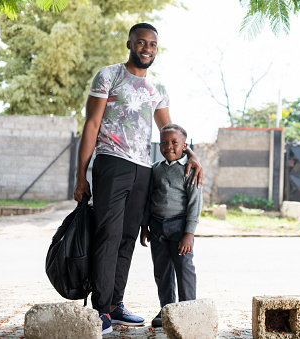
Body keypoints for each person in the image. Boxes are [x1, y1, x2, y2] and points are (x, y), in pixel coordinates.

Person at [73, 23, 202, 335]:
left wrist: (193, 154)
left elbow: (171, 133)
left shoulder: (157, 89)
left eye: (153, 45)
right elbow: (91, 124)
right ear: (130, 43)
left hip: (143, 169)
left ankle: (115, 304)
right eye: (141, 43)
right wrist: (81, 175)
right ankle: (101, 310)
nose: (147, 48)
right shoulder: (109, 75)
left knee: (129, 236)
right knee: (108, 235)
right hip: (112, 163)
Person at [140, 124, 202, 328]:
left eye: (175, 142)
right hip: (157, 227)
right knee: (162, 271)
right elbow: (148, 199)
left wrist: (189, 234)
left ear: (184, 145)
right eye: (165, 142)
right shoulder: (155, 169)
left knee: (184, 269)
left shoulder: (189, 169)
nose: (169, 147)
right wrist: (144, 226)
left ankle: (188, 309)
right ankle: (166, 308)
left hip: (179, 227)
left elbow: (195, 202)